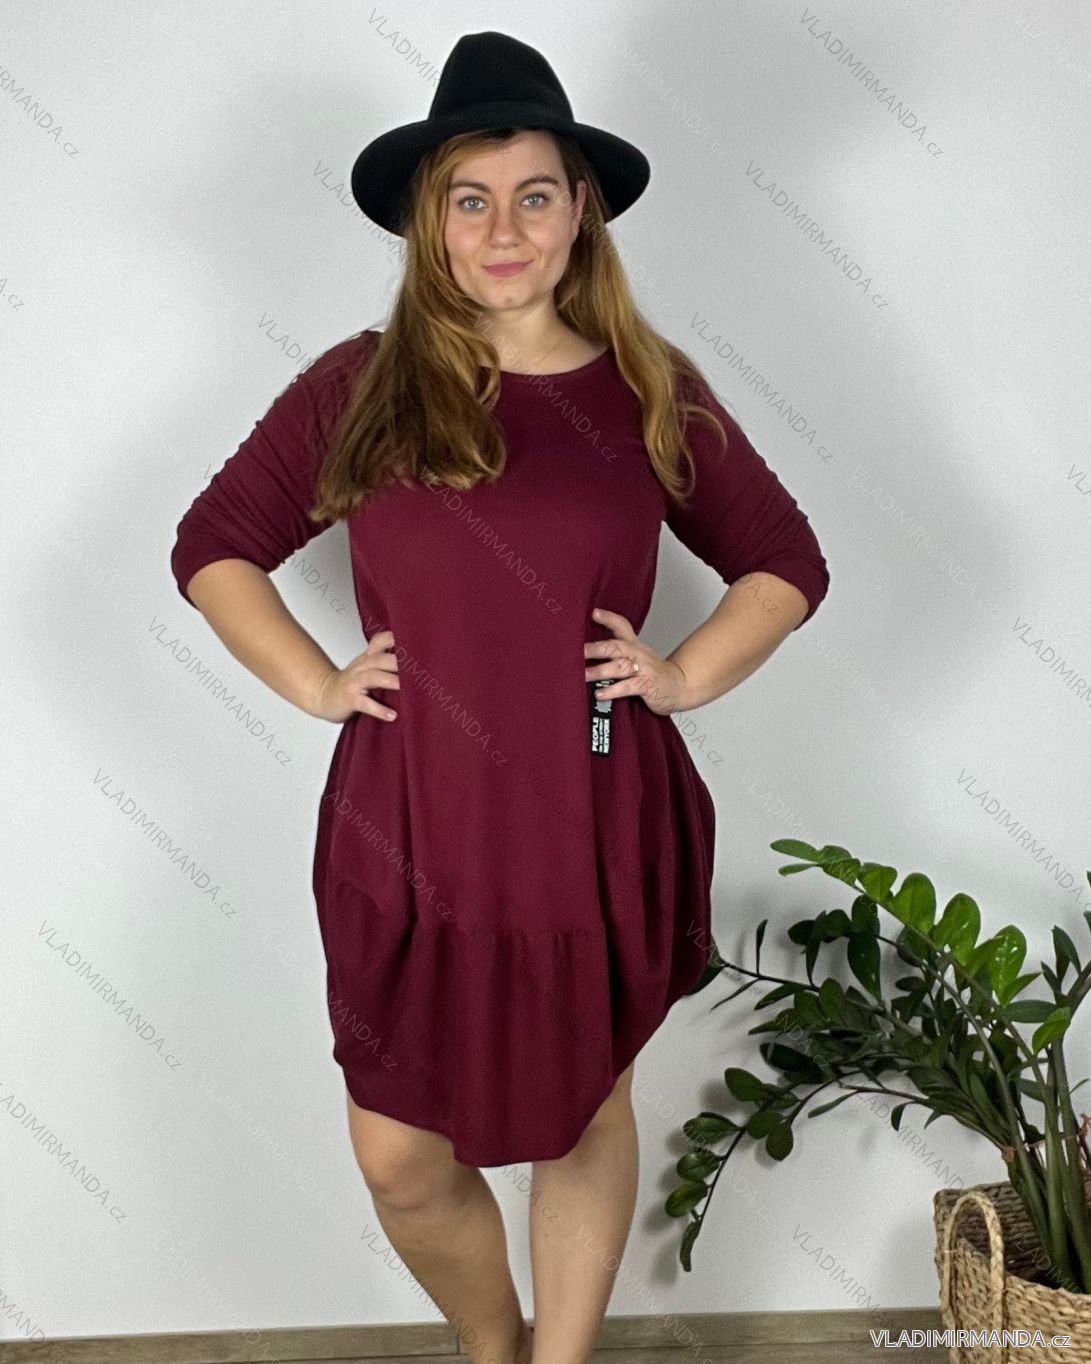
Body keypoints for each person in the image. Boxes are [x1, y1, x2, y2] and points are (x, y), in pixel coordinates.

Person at [169, 29, 829, 1364]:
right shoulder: (358, 384)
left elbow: (785, 563)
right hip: (410, 814)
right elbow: (213, 545)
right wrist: (317, 682)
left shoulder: (649, 390)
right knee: (400, 1156)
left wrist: (683, 673)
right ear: (431, 220)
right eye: (470, 200)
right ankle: (495, 1344)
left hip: (592, 805)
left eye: (534, 194)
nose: (505, 229)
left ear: (582, 208)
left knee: (584, 1113)